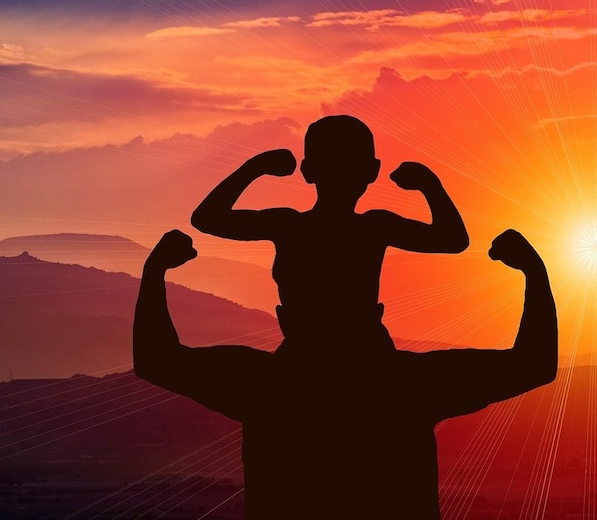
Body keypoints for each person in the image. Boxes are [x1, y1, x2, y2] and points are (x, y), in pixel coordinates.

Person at [133, 228, 556, 518]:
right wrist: (533, 272)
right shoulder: (411, 385)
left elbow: (157, 359)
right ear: (376, 312)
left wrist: (156, 273)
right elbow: (532, 364)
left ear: (284, 317)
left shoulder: (262, 385)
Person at [191, 115, 469, 352]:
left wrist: (256, 168)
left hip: (312, 353)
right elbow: (452, 239)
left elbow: (208, 218)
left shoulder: (289, 225)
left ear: (308, 171)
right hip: (364, 354)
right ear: (372, 171)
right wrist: (429, 185)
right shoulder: (375, 226)